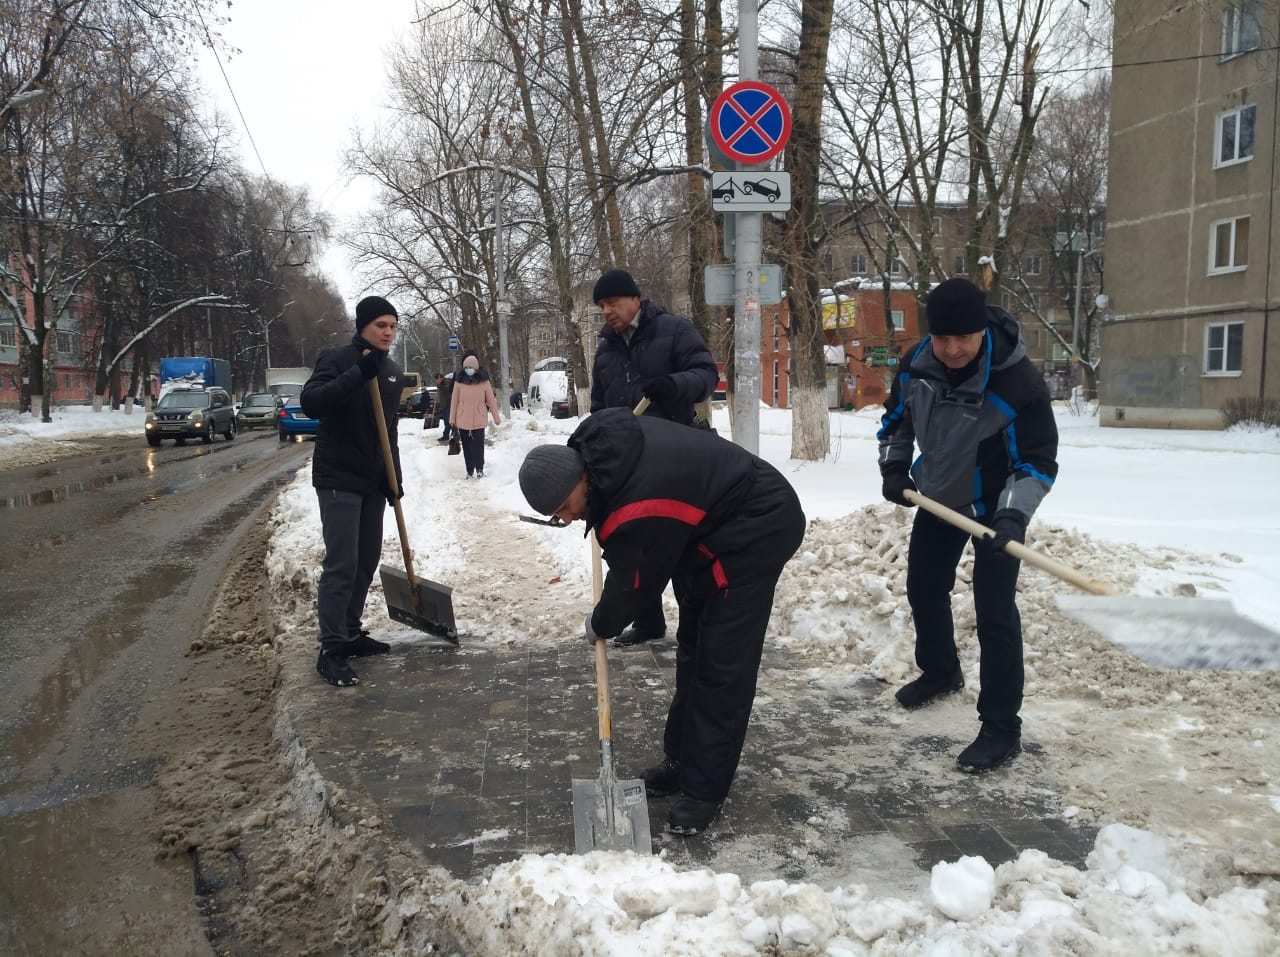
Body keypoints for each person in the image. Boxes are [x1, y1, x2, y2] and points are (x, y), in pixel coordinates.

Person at [518, 408, 806, 835]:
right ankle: (683, 760)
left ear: (578, 478)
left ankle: (705, 789)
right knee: (693, 650)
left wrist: (601, 621)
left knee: (722, 667)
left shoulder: (634, 503)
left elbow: (633, 586)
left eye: (564, 508)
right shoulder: (601, 452)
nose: (567, 519)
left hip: (755, 526)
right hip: (704, 528)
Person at [877, 277, 1059, 773]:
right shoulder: (917, 366)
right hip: (940, 501)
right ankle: (941, 672)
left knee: (994, 611)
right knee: (923, 588)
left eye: (964, 338)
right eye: (943, 338)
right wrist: (894, 468)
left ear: (982, 332)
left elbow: (1037, 463)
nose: (953, 349)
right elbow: (897, 423)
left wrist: (1013, 516)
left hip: (993, 511)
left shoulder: (1016, 383)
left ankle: (1002, 726)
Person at [588, 267, 720, 647]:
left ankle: (693, 624)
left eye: (612, 303)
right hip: (628, 463)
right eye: (601, 306)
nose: (607, 312)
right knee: (630, 543)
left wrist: (674, 385)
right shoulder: (606, 349)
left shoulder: (674, 330)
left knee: (680, 540)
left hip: (675, 455)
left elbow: (706, 374)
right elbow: (599, 405)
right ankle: (648, 621)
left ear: (634, 299)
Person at [300, 295, 405, 688]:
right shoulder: (337, 359)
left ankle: (349, 631)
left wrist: (394, 480)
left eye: (393, 327)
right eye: (381, 326)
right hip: (338, 478)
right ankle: (331, 649)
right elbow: (312, 404)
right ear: (363, 326)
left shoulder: (392, 371)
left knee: (365, 561)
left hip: (372, 482)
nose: (388, 333)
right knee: (342, 564)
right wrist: (358, 374)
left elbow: (388, 431)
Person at [449, 351, 501, 478]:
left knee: (478, 446)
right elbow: (454, 401)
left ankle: (479, 469)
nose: (468, 370)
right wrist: (452, 418)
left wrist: (496, 418)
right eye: (466, 367)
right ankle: (469, 470)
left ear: (476, 368)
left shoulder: (484, 381)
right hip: (463, 420)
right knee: (467, 447)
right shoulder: (459, 382)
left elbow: (491, 400)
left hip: (479, 418)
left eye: (471, 367)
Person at [435, 371, 455, 443]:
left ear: (440, 378)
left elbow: (447, 390)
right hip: (444, 406)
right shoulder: (441, 384)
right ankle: (454, 434)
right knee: (448, 422)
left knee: (448, 422)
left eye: (437, 380)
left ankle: (446, 436)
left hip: (448, 405)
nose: (437, 381)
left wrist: (439, 385)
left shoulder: (447, 382)